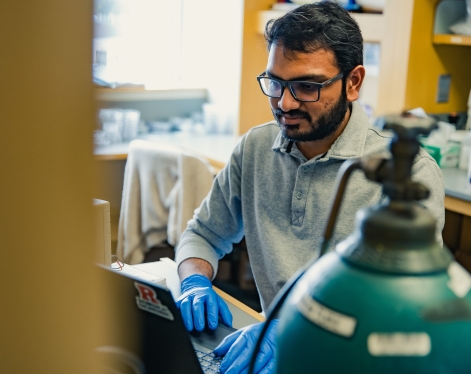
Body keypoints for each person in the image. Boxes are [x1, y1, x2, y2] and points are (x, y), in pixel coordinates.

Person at [175, 1, 445, 373]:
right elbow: (203, 234)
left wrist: (289, 330)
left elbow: (406, 309)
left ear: (353, 82)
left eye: (306, 86)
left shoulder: (405, 175)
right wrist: (193, 280)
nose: (285, 103)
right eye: (276, 83)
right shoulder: (255, 148)